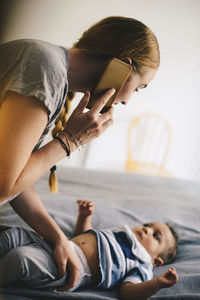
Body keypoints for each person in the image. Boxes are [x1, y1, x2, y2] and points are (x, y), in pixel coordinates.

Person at [0, 16, 160, 289]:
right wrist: (68, 141)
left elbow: (17, 179)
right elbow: (4, 185)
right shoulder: (43, 68)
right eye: (138, 87)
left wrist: (58, 238)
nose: (125, 100)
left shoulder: (51, 72)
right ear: (124, 66)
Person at [0, 200, 178, 300]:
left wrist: (157, 284)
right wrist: (84, 217)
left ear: (156, 261)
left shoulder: (142, 264)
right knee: (13, 235)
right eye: (148, 225)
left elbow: (128, 292)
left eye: (156, 236)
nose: (148, 229)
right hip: (60, 245)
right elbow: (83, 235)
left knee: (21, 258)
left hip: (68, 270)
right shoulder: (120, 234)